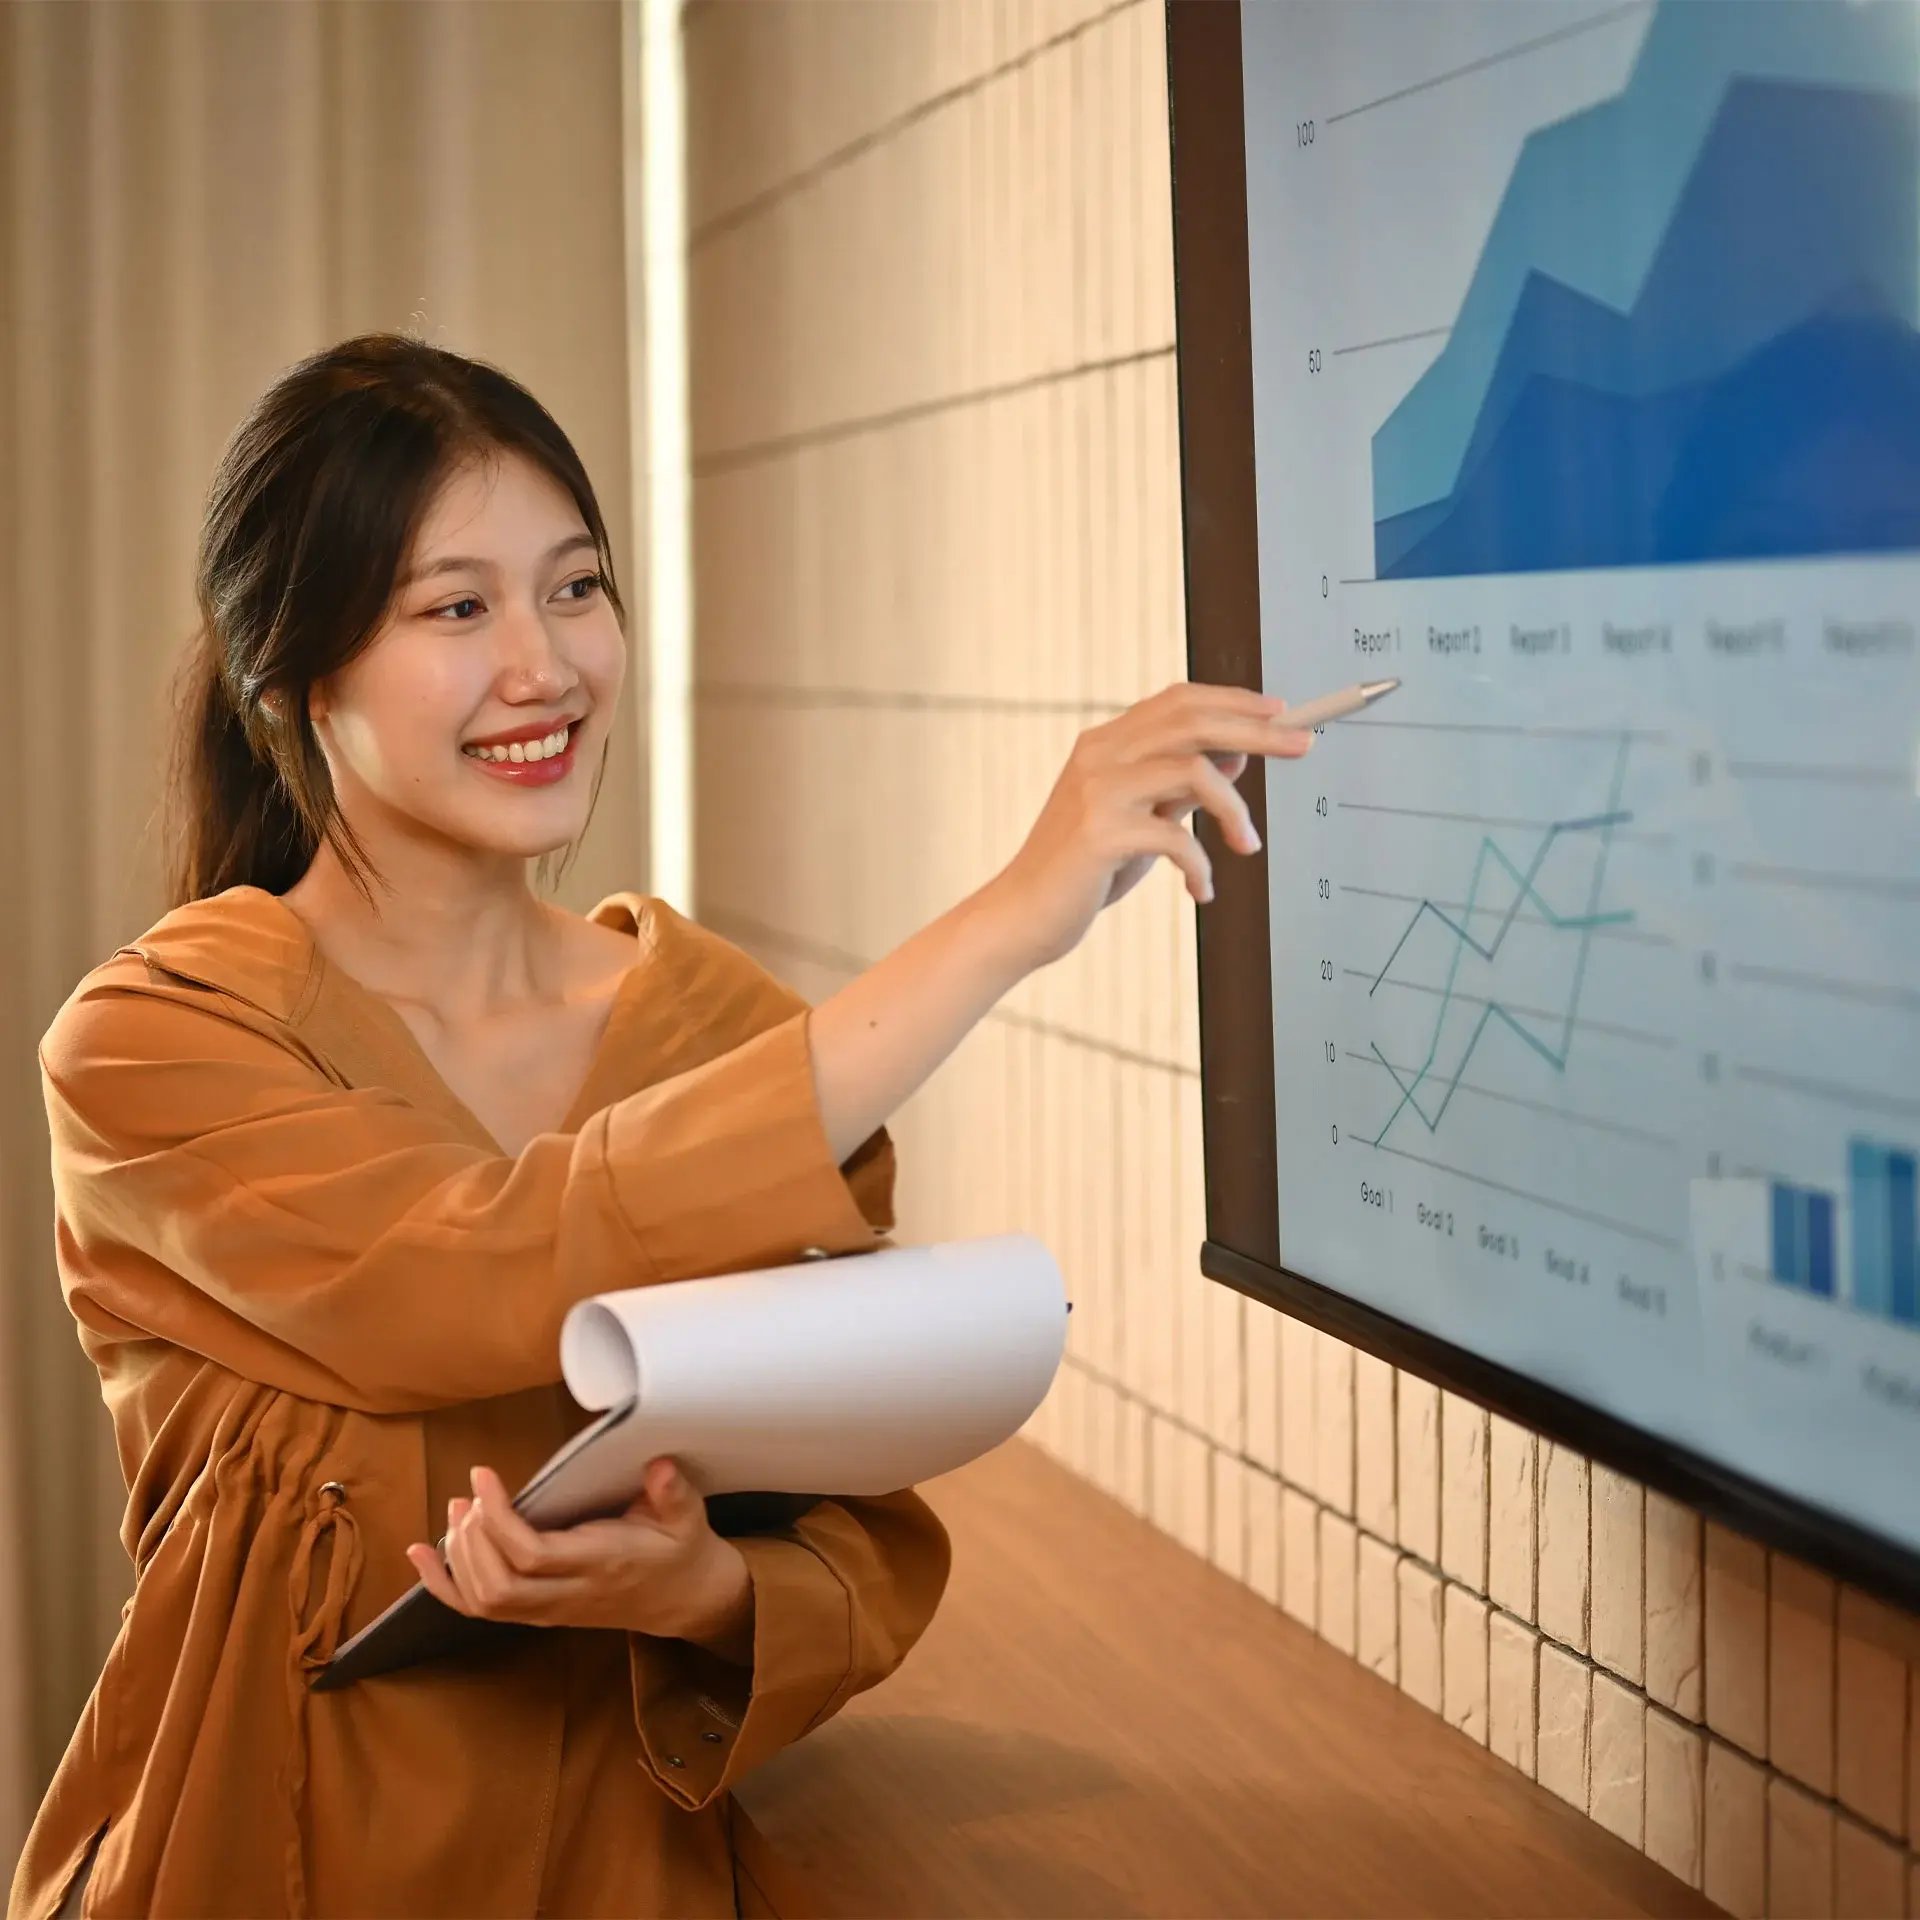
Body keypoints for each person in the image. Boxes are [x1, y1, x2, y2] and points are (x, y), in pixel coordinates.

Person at [9, 333, 1312, 1920]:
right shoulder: (157, 1045)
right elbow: (484, 1272)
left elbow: (854, 1533)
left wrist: (700, 1587)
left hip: (630, 1873)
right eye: (457, 607)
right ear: (299, 671)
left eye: (574, 587)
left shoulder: (717, 1031)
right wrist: (1010, 920)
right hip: (258, 1864)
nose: (545, 666)